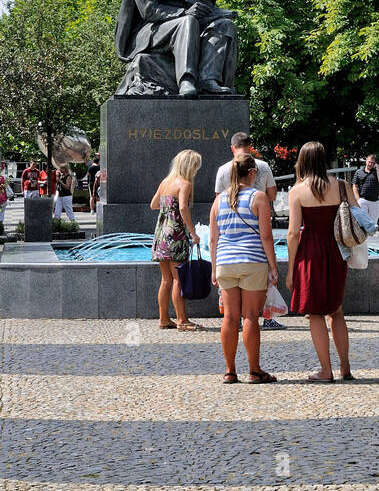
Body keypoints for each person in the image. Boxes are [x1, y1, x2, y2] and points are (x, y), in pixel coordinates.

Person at [288, 141, 360, 382]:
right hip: (337, 251)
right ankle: (345, 366)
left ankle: (326, 370)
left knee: (315, 314)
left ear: (303, 162)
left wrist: (290, 270)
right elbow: (358, 216)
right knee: (336, 310)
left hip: (311, 252)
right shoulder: (341, 185)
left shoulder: (297, 191)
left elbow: (293, 233)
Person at [209, 153, 279, 384]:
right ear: (251, 173)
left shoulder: (219, 201)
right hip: (252, 261)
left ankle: (230, 371)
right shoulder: (258, 198)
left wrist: (214, 268)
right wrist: (273, 266)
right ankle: (254, 370)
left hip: (225, 263)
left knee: (229, 317)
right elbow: (266, 237)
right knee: (250, 317)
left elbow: (213, 239)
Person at [151, 149, 203, 331]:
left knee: (166, 280)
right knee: (177, 280)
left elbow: (153, 204)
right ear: (189, 166)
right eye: (196, 166)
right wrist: (193, 232)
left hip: (161, 235)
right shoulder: (185, 184)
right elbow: (183, 208)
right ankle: (182, 320)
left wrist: (167, 211)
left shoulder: (166, 182)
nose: (197, 170)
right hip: (176, 235)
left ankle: (164, 319)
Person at [214, 132, 276, 206]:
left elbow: (219, 201)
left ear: (232, 148)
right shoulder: (264, 166)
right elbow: (272, 196)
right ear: (250, 147)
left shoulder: (222, 170)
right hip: (259, 213)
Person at [352, 154, 379, 226]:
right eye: (369, 162)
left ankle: (371, 236)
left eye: (373, 163)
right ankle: (364, 236)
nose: (370, 164)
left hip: (374, 200)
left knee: (373, 222)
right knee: (363, 220)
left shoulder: (377, 172)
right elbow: (354, 185)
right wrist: (358, 199)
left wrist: (378, 170)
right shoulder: (358, 172)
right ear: (366, 161)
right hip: (363, 200)